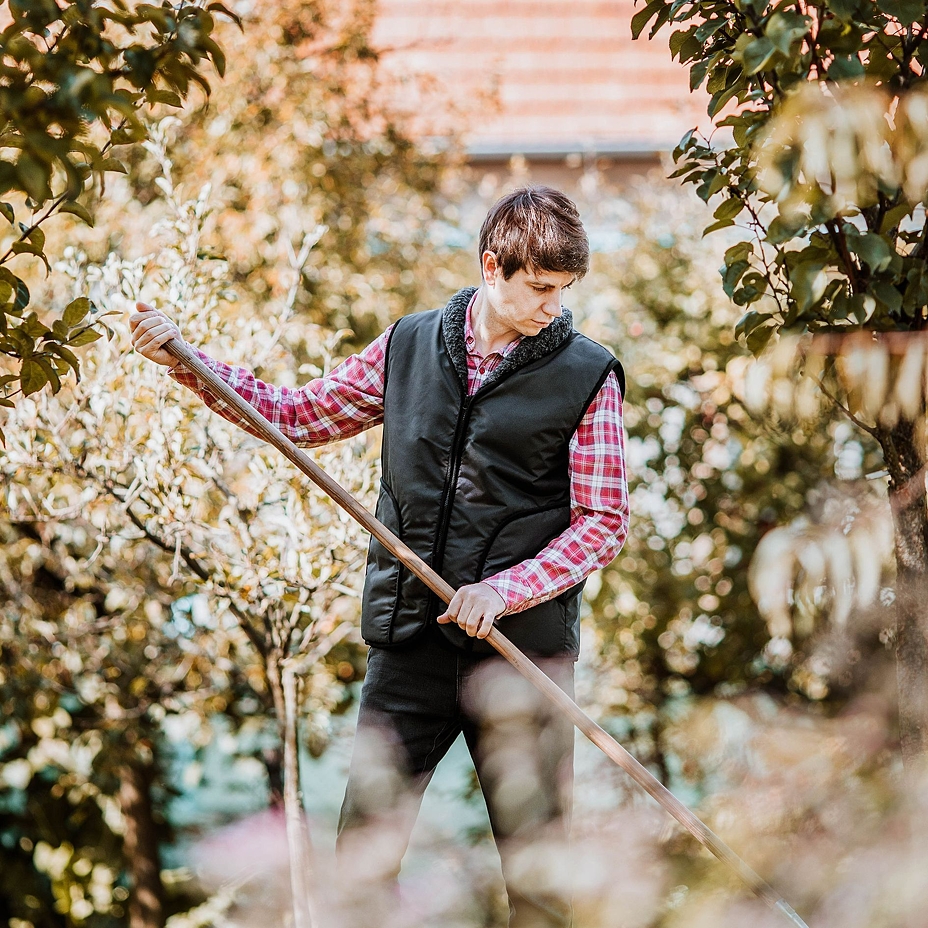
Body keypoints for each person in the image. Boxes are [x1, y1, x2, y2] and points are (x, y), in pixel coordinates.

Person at [130, 185, 628, 928]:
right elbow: (294, 416)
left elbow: (603, 523)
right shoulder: (407, 346)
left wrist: (505, 590)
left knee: (538, 876)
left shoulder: (588, 374)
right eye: (540, 288)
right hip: (408, 641)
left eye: (565, 291)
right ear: (493, 266)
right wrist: (185, 359)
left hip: (521, 658)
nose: (554, 306)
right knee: (361, 863)